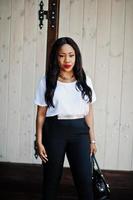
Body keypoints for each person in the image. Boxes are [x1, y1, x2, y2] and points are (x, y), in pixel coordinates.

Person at [34, 37, 97, 200]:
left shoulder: (85, 80)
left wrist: (93, 140)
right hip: (54, 132)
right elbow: (41, 114)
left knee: (85, 183)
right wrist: (39, 142)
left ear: (76, 57)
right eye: (62, 55)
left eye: (71, 55)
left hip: (80, 133)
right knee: (51, 181)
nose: (67, 60)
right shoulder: (47, 81)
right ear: (55, 57)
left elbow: (88, 112)